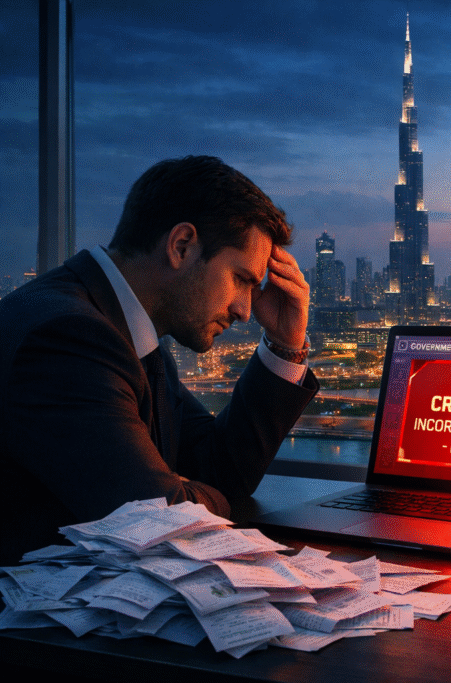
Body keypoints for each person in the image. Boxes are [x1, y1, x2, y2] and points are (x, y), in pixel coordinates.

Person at [0, 156, 319, 563]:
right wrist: (177, 493)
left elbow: (218, 469)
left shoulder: (124, 330)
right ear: (181, 245)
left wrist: (285, 345)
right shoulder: (69, 337)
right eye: (240, 278)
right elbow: (159, 522)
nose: (244, 310)